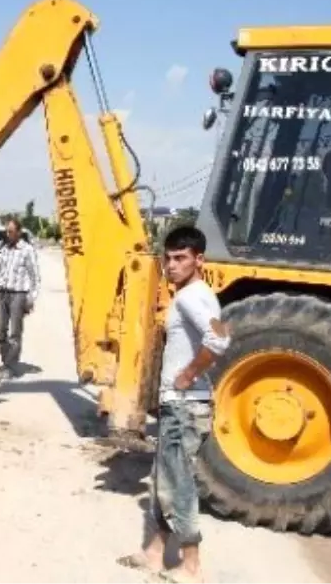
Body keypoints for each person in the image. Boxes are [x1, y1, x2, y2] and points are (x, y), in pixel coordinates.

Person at [119, 226, 228, 584]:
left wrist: (187, 375)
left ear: (199, 259)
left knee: (178, 483)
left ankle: (191, 565)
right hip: (179, 403)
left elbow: (220, 339)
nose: (172, 264)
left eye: (181, 258)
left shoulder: (189, 298)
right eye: (168, 257)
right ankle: (154, 553)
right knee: (162, 479)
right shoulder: (197, 294)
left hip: (184, 404)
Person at [0, 218, 39, 382]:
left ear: (18, 232)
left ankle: (9, 365)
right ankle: (7, 359)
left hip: (19, 294)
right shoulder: (4, 249)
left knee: (15, 333)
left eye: (10, 231)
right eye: (6, 231)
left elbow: (35, 276)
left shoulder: (27, 250)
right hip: (2, 293)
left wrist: (31, 298)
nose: (7, 234)